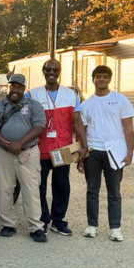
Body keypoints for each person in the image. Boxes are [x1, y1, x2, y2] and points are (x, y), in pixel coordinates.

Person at [27, 59, 87, 236]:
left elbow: (77, 122)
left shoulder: (70, 95)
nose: (51, 72)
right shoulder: (32, 94)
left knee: (61, 186)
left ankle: (58, 221)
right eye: (48, 69)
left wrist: (84, 146)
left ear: (59, 72)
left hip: (63, 149)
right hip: (40, 149)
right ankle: (43, 220)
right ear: (43, 71)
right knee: (39, 187)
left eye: (55, 70)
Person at [0, 74, 47, 242]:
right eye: (12, 86)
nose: (15, 89)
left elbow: (39, 126)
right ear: (8, 87)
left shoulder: (34, 106)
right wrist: (7, 144)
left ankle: (36, 227)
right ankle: (8, 224)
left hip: (27, 152)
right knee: (5, 189)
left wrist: (19, 143)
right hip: (3, 152)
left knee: (31, 189)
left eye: (19, 87)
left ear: (24, 88)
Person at [78, 65, 134, 242]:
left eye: (104, 77)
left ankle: (115, 228)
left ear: (109, 79)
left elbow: (128, 128)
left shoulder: (120, 100)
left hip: (114, 153)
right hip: (93, 152)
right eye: (98, 77)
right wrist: (81, 156)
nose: (101, 80)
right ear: (93, 79)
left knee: (114, 191)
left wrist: (129, 153)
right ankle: (92, 226)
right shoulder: (86, 105)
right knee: (92, 191)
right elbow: (82, 132)